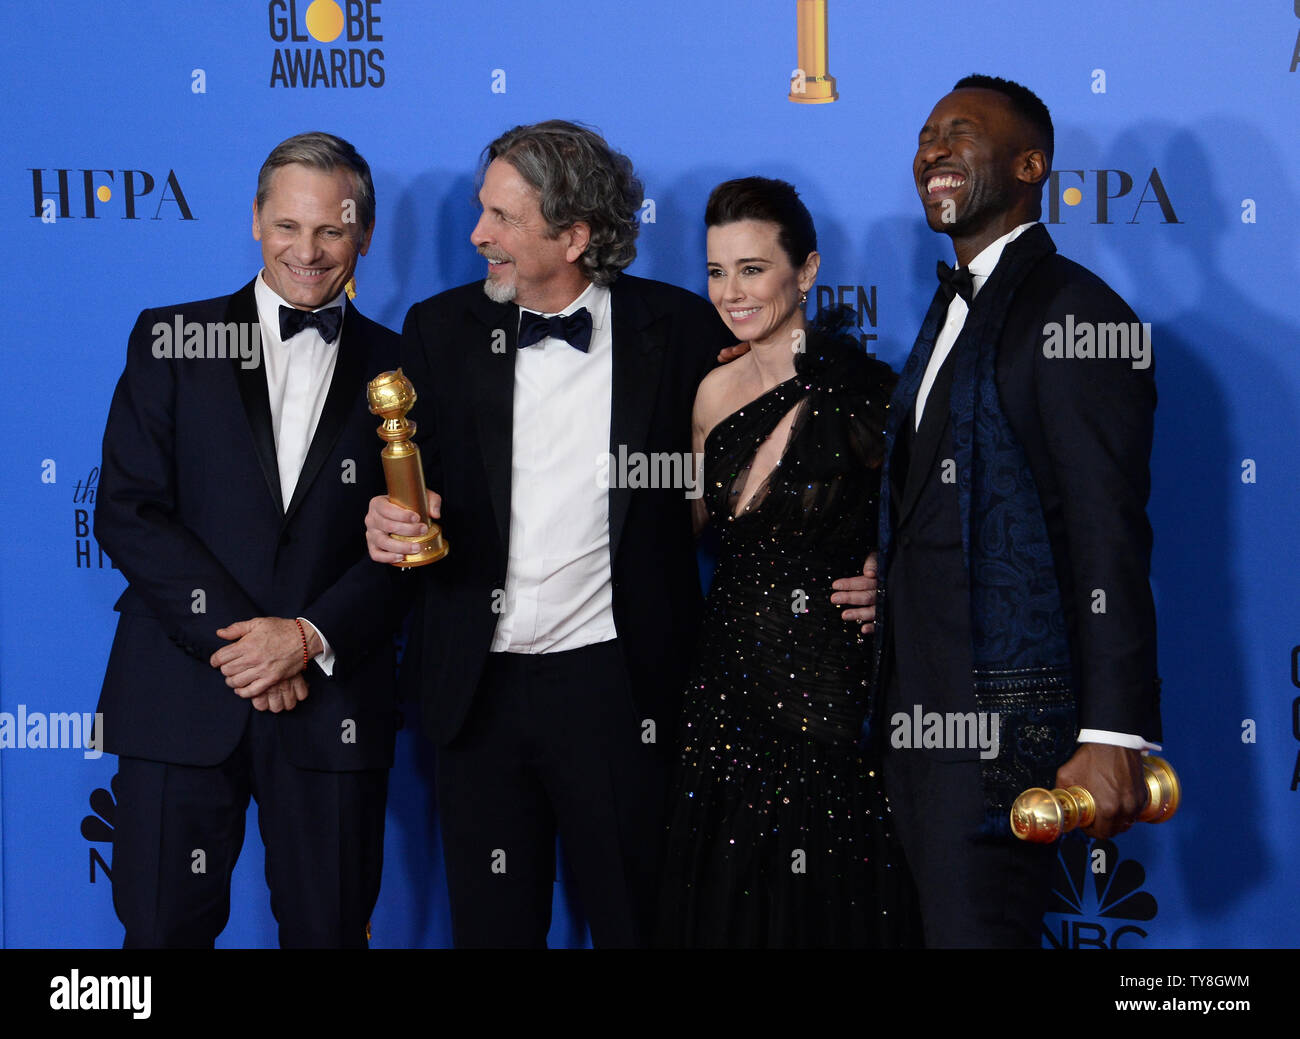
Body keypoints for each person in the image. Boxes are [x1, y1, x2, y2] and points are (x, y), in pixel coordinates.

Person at [363, 120, 738, 948]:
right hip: (476, 689)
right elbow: (396, 485)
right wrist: (385, 519)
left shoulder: (676, 331)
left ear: (573, 235)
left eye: (501, 218)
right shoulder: (438, 328)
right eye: (479, 210)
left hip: (619, 691)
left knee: (639, 926)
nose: (477, 236)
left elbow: (781, 415)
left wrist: (853, 549)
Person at [850, 75, 1162, 947]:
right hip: (913, 726)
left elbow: (1109, 536)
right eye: (924, 137)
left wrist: (1111, 731)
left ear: (1032, 166)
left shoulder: (1077, 315)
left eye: (959, 134)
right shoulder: (948, 311)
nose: (932, 153)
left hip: (1000, 743)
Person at [95, 132, 407, 948]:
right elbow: (129, 511)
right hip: (179, 695)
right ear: (255, 222)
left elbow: (413, 543)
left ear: (363, 234)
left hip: (331, 701)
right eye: (287, 227)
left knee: (330, 932)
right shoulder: (170, 339)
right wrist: (248, 645)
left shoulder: (411, 368)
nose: (307, 251)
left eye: (332, 230)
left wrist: (304, 639)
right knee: (159, 936)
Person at [655, 177, 909, 948]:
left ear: (806, 271)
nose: (731, 292)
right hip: (726, 688)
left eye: (753, 268)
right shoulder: (709, 392)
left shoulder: (871, 395)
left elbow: (927, 527)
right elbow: (682, 531)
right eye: (716, 271)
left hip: (828, 693)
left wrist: (886, 576)